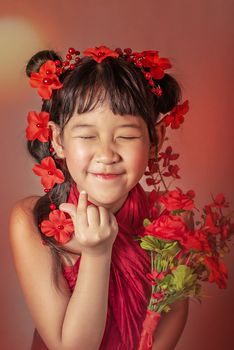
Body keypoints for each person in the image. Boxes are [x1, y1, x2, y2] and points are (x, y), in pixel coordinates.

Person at [9, 46, 189, 350]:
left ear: (155, 138)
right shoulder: (31, 220)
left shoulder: (170, 218)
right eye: (87, 135)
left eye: (127, 135)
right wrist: (97, 253)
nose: (106, 154)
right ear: (57, 139)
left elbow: (168, 325)